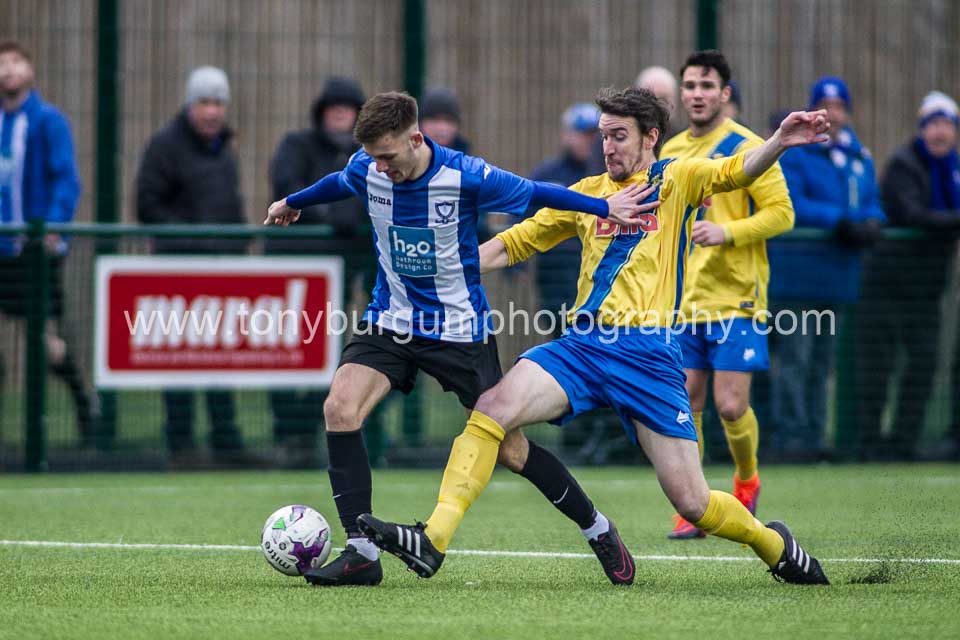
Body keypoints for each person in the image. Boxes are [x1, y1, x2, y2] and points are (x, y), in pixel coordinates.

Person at [358, 86, 832, 587]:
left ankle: (774, 544)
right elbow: (517, 241)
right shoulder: (587, 193)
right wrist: (447, 266)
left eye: (619, 135)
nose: (607, 146)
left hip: (649, 357)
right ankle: (432, 539)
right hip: (582, 348)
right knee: (491, 409)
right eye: (602, 136)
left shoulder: (678, 178)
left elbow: (736, 171)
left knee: (693, 503)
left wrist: (779, 140)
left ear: (652, 137)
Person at [264, 91, 654, 587]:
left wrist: (604, 206)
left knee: (511, 450)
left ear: (416, 139)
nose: (380, 169)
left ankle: (596, 527)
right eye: (373, 158)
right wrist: (290, 202)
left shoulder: (465, 175)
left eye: (388, 157)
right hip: (391, 319)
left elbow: (536, 193)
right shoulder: (367, 166)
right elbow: (340, 182)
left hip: (459, 331)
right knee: (340, 407)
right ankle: (361, 554)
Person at [661, 51, 794, 539]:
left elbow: (782, 213)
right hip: (684, 299)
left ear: (725, 94)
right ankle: (695, 502)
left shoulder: (750, 146)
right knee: (686, 402)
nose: (697, 93)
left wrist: (728, 232)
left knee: (731, 405)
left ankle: (745, 481)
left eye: (707, 85)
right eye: (690, 84)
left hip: (737, 297)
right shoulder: (670, 150)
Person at [767, 76, 885, 460]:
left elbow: (871, 201)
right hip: (798, 280)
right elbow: (793, 203)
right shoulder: (799, 153)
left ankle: (815, 437)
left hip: (837, 279)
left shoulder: (858, 157)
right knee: (795, 360)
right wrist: (839, 220)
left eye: (839, 107)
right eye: (826, 106)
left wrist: (869, 221)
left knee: (822, 363)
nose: (833, 114)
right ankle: (791, 437)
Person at [135, 66, 248, 463]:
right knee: (180, 361)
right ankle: (181, 445)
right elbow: (147, 205)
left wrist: (236, 245)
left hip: (221, 274)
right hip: (178, 274)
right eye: (204, 102)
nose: (212, 111)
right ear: (189, 105)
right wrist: (194, 239)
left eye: (218, 103)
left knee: (222, 360)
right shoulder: (165, 146)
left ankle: (226, 442)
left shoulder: (225, 151)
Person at [0, 39, 99, 447]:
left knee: (45, 342)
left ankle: (84, 406)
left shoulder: (46, 121)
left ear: (30, 70)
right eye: (2, 63)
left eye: (16, 62)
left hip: (33, 251)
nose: (8, 69)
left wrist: (55, 225)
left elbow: (66, 178)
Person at [266, 77, 369, 463]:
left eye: (348, 108)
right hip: (292, 273)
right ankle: (285, 432)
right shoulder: (296, 145)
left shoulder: (368, 156)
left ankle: (306, 433)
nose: (340, 113)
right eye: (333, 107)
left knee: (329, 352)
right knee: (285, 352)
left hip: (339, 275)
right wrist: (330, 212)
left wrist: (343, 213)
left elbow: (370, 200)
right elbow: (287, 186)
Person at [857, 91, 960, 460]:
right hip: (890, 287)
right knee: (878, 368)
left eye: (946, 124)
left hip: (927, 292)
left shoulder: (953, 168)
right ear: (922, 128)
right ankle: (869, 443)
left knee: (923, 366)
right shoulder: (904, 164)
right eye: (933, 124)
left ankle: (904, 442)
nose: (940, 132)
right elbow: (916, 215)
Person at [636, 65, 680, 139]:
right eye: (651, 98)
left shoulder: (682, 139)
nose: (657, 105)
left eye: (664, 99)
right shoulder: (626, 137)